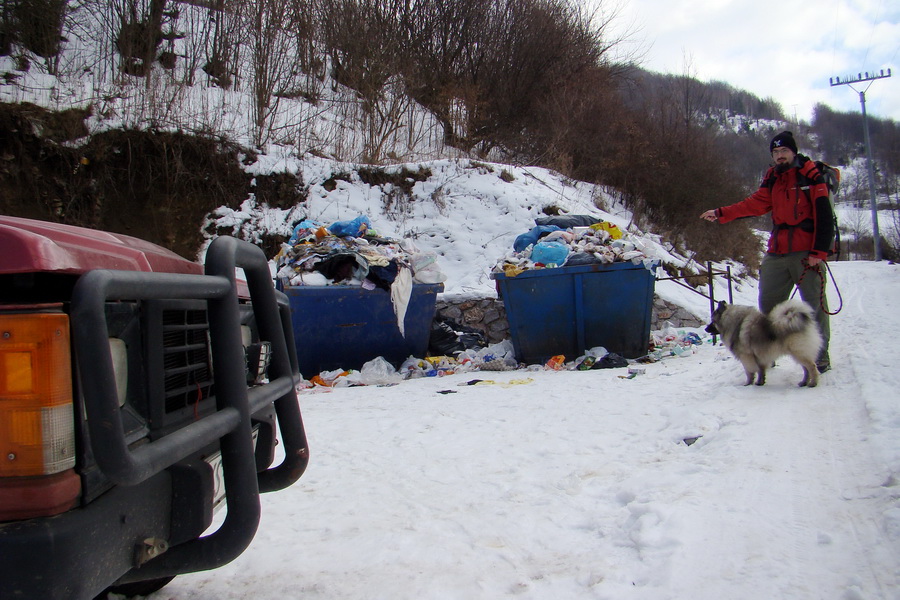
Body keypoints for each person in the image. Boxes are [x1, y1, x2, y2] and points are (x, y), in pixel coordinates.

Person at [700, 131, 834, 373]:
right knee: (768, 304)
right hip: (778, 250)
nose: (780, 156)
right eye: (775, 152)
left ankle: (820, 357)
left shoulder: (811, 175)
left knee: (814, 306)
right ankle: (770, 350)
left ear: (793, 151)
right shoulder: (773, 177)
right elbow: (754, 204)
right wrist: (721, 213)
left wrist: (819, 252)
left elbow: (825, 216)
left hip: (807, 250)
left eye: (784, 151)